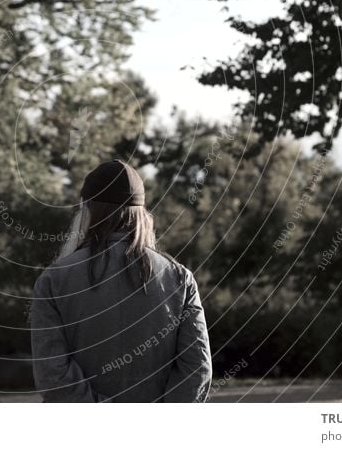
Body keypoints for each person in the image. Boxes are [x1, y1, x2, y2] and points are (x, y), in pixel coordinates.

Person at [30, 159, 212, 402]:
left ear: (87, 211)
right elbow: (197, 368)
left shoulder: (54, 280)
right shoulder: (179, 278)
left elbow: (53, 376)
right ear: (142, 214)